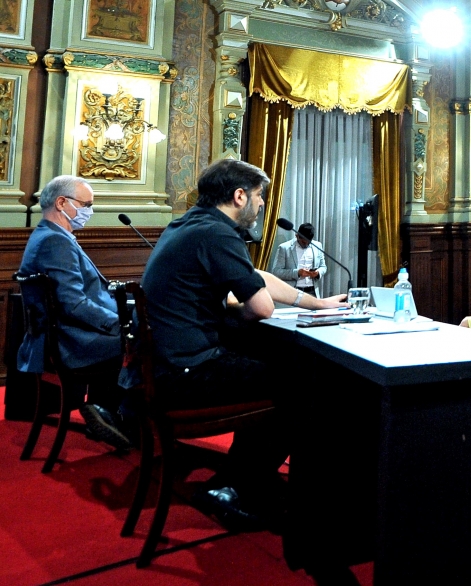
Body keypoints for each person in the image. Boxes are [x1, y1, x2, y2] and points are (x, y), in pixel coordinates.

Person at [141, 161, 349, 549]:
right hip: (188, 372)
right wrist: (243, 309)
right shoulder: (218, 233)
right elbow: (262, 308)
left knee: (279, 370)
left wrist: (318, 304)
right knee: (305, 383)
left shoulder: (189, 225)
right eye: (259, 196)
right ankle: (239, 489)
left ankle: (236, 480)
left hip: (167, 366)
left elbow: (257, 279)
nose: (262, 204)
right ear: (239, 196)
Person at [16, 175, 133, 450]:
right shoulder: (54, 241)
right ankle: (124, 419)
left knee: (138, 335)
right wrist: (120, 323)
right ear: (61, 203)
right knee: (144, 342)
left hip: (67, 336)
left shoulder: (50, 236)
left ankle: (107, 413)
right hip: (70, 342)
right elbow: (74, 304)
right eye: (86, 204)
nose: (90, 211)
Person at [270, 222, 327, 297]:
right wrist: (297, 273)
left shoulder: (317, 246)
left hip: (312, 291)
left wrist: (318, 273)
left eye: (308, 243)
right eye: (303, 242)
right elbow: (276, 271)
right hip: (292, 292)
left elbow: (323, 267)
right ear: (297, 236)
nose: (306, 245)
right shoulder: (284, 248)